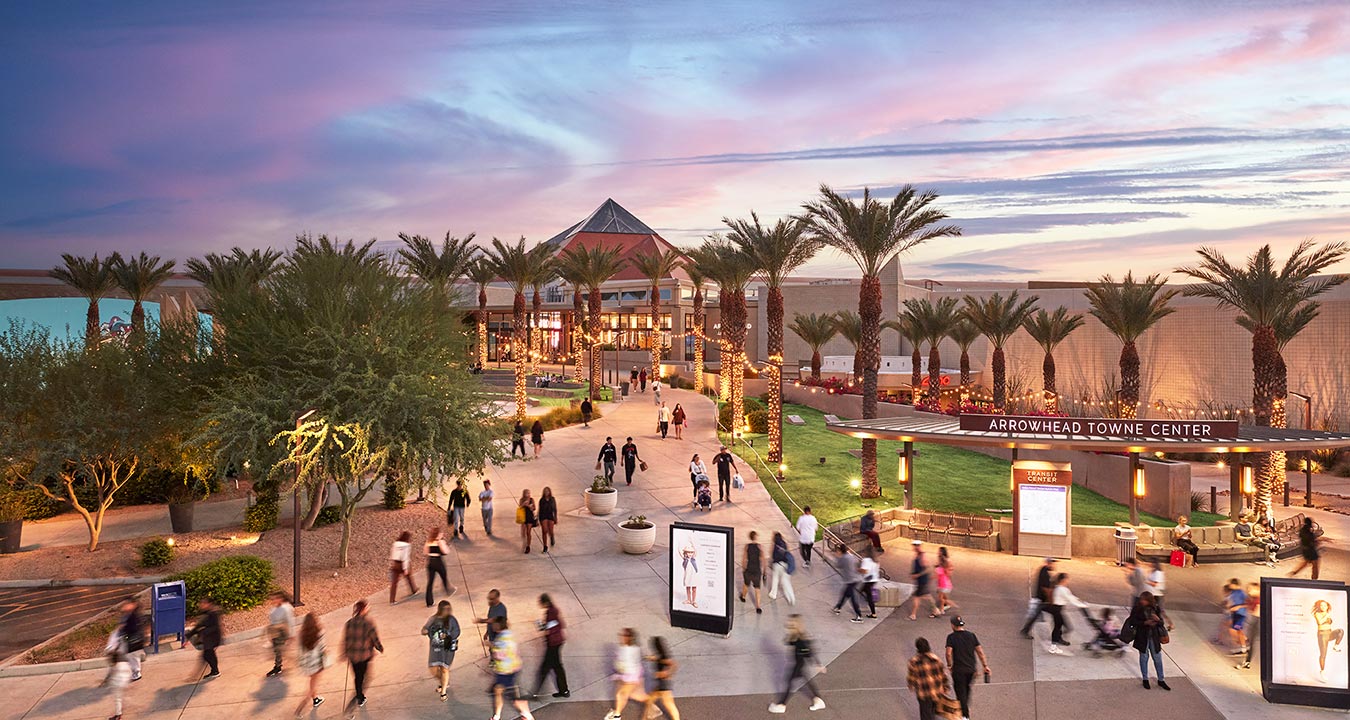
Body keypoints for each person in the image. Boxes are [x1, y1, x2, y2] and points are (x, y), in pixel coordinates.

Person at [768, 615, 827, 713]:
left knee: (790, 682)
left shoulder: (801, 640)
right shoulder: (796, 636)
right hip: (798, 663)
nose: (789, 626)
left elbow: (809, 652)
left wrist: (818, 664)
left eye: (791, 624)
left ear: (796, 626)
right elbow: (790, 643)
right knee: (805, 681)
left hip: (799, 664)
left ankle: (782, 705)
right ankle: (818, 699)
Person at [945, 616, 990, 720]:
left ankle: (965, 716)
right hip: (971, 670)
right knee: (966, 689)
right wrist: (985, 666)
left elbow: (948, 653)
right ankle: (964, 709)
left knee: (960, 693)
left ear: (952, 625)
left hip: (958, 670)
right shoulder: (971, 635)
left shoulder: (951, 637)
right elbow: (980, 651)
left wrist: (949, 665)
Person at [342, 600, 383, 714]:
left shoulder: (349, 623)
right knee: (365, 677)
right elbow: (374, 637)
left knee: (357, 676)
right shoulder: (368, 623)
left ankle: (360, 695)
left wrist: (345, 652)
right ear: (364, 609)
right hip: (364, 655)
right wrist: (379, 647)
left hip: (353, 655)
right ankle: (359, 696)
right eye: (367, 607)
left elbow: (346, 639)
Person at [490, 617, 534, 720]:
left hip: (505, 671)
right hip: (512, 668)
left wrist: (492, 647)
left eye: (494, 624)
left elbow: (500, 656)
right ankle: (497, 715)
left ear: (498, 626)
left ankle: (527, 715)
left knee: (511, 696)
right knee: (499, 691)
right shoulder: (508, 634)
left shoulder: (502, 639)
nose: (492, 626)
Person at [1124, 591, 1170, 690]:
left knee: (1157, 658)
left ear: (1149, 600)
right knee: (1144, 658)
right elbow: (1132, 621)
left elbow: (1161, 623)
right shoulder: (1137, 608)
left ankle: (1161, 680)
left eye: (1144, 600)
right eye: (1141, 600)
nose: (1142, 601)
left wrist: (1157, 620)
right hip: (1142, 637)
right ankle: (1145, 679)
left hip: (1154, 637)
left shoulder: (1155, 608)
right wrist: (1145, 622)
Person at [604, 628, 650, 720]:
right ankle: (652, 706)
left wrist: (619, 670)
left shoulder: (626, 649)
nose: (621, 637)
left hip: (630, 676)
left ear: (628, 637)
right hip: (633, 674)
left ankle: (617, 715)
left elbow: (623, 665)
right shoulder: (634, 647)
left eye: (623, 635)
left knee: (621, 694)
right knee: (628, 694)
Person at [531, 593, 570, 698]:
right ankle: (564, 690)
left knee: (546, 667)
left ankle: (536, 692)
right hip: (556, 642)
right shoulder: (552, 610)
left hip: (553, 643)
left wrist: (546, 629)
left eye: (541, 603)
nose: (540, 605)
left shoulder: (551, 612)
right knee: (557, 667)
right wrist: (546, 626)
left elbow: (558, 625)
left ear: (545, 602)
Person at [291, 614, 328, 718]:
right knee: (312, 687)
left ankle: (316, 699)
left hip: (306, 664)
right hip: (316, 664)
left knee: (312, 683)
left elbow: (299, 650)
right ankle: (299, 710)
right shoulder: (319, 632)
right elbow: (323, 648)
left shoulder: (301, 634)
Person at [906, 637, 949, 720]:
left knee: (925, 714)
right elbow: (942, 674)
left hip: (923, 692)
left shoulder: (914, 661)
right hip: (936, 691)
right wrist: (945, 686)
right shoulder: (935, 659)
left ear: (917, 648)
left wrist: (911, 685)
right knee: (933, 711)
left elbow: (912, 677)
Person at [1047, 573, 1089, 653]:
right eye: (1066, 579)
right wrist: (1082, 605)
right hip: (1057, 610)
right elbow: (1070, 598)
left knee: (1058, 627)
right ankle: (1053, 646)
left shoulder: (1058, 588)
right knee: (1058, 627)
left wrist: (1078, 600)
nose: (1067, 581)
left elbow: (1071, 597)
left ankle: (1056, 642)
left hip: (1056, 609)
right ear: (1063, 580)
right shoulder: (1062, 589)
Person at [643, 636, 680, 720]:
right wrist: (648, 658)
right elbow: (657, 659)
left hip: (664, 685)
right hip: (660, 684)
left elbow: (674, 664)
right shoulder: (661, 656)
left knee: (669, 704)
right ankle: (646, 717)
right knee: (650, 699)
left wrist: (667, 673)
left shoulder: (664, 657)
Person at [1020, 557, 1057, 638]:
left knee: (1035, 616)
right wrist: (1051, 601)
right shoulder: (1045, 574)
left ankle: (1025, 630)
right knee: (1056, 614)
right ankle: (1058, 632)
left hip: (1040, 599)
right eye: (1052, 563)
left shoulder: (1043, 570)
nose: (1054, 565)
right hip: (1041, 600)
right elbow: (1046, 589)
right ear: (1048, 563)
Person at [185, 598, 222, 679]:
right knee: (208, 655)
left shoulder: (213, 614)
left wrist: (204, 631)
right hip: (208, 638)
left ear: (209, 604)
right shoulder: (205, 613)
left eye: (203, 603)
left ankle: (215, 671)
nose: (201, 605)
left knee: (207, 654)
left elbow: (215, 627)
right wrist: (190, 635)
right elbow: (199, 626)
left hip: (213, 637)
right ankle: (214, 671)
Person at [113, 597, 146, 682]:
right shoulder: (128, 614)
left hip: (134, 640)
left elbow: (133, 628)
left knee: (132, 656)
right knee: (131, 656)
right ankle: (134, 670)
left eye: (127, 604)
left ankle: (136, 672)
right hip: (131, 639)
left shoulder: (133, 615)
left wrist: (124, 627)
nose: (124, 606)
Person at [266, 591, 296, 677]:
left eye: (275, 598)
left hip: (281, 631)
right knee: (277, 649)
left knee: (278, 649)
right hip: (275, 631)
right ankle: (278, 664)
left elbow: (290, 621)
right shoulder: (276, 607)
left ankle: (277, 666)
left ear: (281, 598)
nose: (273, 600)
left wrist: (291, 634)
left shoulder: (286, 608)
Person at [831, 545, 864, 622]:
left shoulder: (843, 558)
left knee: (852, 598)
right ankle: (838, 607)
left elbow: (838, 565)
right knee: (845, 593)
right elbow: (857, 562)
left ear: (840, 551)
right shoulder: (851, 556)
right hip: (857, 578)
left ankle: (859, 616)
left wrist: (837, 557)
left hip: (851, 580)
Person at [1314, 599, 1344, 676]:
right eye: (1321, 605)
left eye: (1324, 605)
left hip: (1329, 633)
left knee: (1340, 631)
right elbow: (1319, 622)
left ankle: (1336, 646)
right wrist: (1326, 616)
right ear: (1319, 606)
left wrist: (1326, 618)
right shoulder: (1317, 613)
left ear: (1327, 606)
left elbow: (1329, 622)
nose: (1323, 606)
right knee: (1323, 655)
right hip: (1322, 635)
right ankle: (1322, 671)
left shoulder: (1327, 613)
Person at [425, 527, 454, 606]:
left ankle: (429, 601)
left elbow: (425, 552)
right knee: (444, 576)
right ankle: (448, 590)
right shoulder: (440, 542)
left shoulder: (429, 542)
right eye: (441, 533)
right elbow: (446, 551)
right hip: (438, 561)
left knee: (430, 582)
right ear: (438, 534)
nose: (442, 534)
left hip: (430, 562)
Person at [909, 540, 938, 620]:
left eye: (916, 546)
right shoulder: (918, 555)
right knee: (926, 595)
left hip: (922, 580)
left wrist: (918, 574)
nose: (914, 547)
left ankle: (913, 614)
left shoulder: (922, 556)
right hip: (920, 580)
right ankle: (935, 610)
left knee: (917, 597)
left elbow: (928, 569)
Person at [739, 530, 765, 614]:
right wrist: (764, 571)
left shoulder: (747, 546)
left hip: (749, 569)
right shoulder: (760, 546)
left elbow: (744, 558)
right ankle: (758, 606)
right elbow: (763, 559)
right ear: (756, 537)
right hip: (757, 570)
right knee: (757, 589)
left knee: (746, 584)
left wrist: (743, 569)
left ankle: (743, 596)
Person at [389, 530, 419, 603]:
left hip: (395, 563)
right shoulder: (407, 545)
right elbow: (405, 557)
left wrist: (392, 563)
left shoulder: (395, 544)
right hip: (402, 564)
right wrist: (405, 568)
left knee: (394, 583)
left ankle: (392, 599)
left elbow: (392, 553)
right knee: (409, 577)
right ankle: (413, 590)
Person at [1236, 582, 1260, 670]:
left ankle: (1247, 661)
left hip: (1257, 621)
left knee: (1253, 642)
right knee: (1253, 642)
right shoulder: (1254, 598)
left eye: (1250, 590)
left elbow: (1255, 611)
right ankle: (1247, 660)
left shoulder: (1258, 599)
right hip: (1255, 621)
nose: (1248, 591)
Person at [768, 531, 796, 605]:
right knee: (786, 582)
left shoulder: (775, 545)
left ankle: (773, 594)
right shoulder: (784, 544)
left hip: (777, 565)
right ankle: (791, 598)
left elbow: (774, 556)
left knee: (775, 579)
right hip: (785, 565)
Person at [1224, 578, 1249, 655]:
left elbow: (1247, 603)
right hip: (1235, 614)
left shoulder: (1242, 593)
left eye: (1231, 584)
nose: (1230, 586)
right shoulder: (1233, 592)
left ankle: (1243, 645)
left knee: (1234, 630)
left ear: (1235, 585)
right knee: (1238, 630)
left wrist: (1238, 607)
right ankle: (1244, 644)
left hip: (1240, 614)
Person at [105, 647, 131, 720]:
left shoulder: (114, 666)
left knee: (117, 699)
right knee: (119, 698)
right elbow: (129, 671)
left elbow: (110, 675)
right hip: (124, 682)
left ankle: (118, 715)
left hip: (117, 684)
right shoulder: (124, 663)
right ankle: (119, 712)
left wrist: (106, 681)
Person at [934, 546, 956, 615]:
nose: (938, 553)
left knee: (941, 597)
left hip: (944, 581)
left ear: (942, 552)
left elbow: (950, 569)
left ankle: (942, 609)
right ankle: (948, 604)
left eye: (939, 551)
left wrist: (946, 570)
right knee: (943, 596)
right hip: (941, 581)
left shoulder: (946, 560)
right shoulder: (941, 560)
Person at [859, 547, 880, 619]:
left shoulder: (866, 560)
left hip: (868, 581)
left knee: (866, 595)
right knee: (866, 593)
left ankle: (872, 613)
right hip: (874, 580)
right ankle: (873, 613)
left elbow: (865, 571)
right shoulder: (876, 561)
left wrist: (858, 569)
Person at [680, 538, 700, 607]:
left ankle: (694, 601)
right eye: (688, 552)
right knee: (688, 587)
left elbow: (696, 550)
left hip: (693, 576)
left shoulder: (693, 559)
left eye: (691, 552)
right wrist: (679, 544)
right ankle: (689, 599)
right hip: (688, 575)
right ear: (685, 553)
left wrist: (692, 542)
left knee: (694, 588)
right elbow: (679, 552)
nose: (690, 554)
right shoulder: (685, 559)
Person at [538, 486, 558, 553]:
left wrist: (555, 517)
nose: (546, 492)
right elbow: (540, 510)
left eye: (547, 491)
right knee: (544, 531)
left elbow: (555, 509)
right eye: (545, 491)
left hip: (550, 516)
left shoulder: (552, 499)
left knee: (550, 531)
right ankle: (545, 546)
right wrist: (539, 519)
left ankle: (552, 537)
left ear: (549, 492)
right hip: (543, 516)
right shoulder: (541, 500)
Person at [518, 489, 537, 554]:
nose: (528, 494)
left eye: (529, 493)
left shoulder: (531, 500)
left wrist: (529, 506)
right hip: (523, 517)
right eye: (526, 493)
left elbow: (534, 508)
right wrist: (524, 504)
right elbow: (519, 507)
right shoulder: (522, 500)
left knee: (528, 532)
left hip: (529, 517)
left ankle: (528, 546)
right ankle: (525, 542)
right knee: (523, 533)